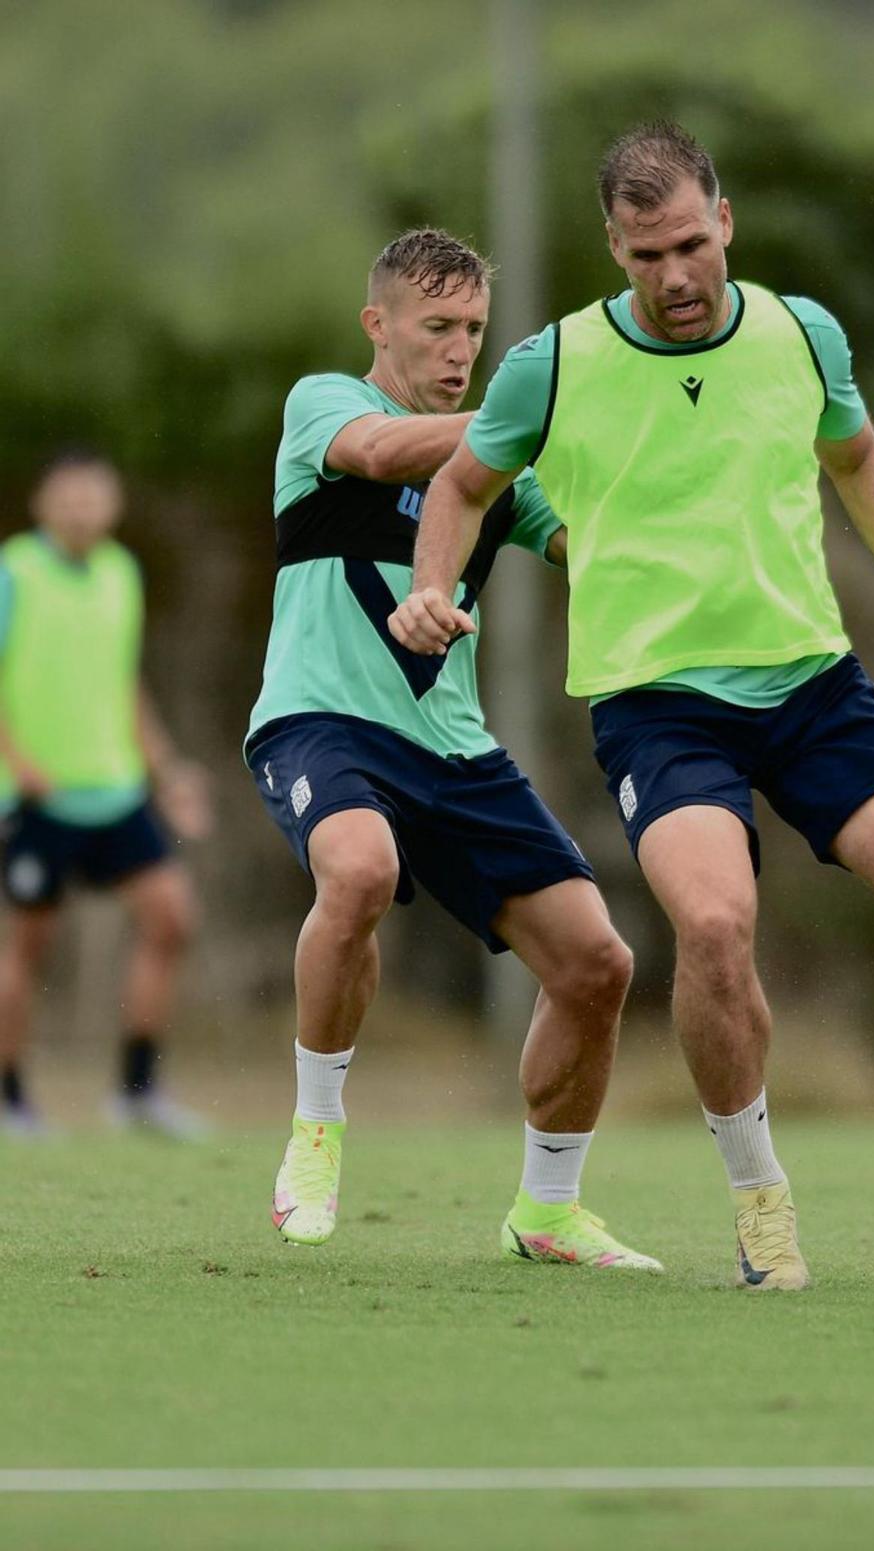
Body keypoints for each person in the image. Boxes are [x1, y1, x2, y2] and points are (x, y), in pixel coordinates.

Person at [392, 122, 874, 1292]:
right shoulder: (553, 363)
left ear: (725, 221)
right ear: (614, 249)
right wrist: (433, 587)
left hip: (814, 685)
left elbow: (858, 453)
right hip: (658, 707)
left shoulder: (802, 331)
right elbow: (461, 483)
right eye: (646, 256)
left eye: (691, 243)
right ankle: (759, 1205)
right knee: (714, 927)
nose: (676, 276)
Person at [245, 227, 659, 1269]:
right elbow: (384, 457)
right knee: (361, 870)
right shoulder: (324, 408)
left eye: (474, 329)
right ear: (377, 326)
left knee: (598, 964)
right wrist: (525, 419)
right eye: (437, 327)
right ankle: (317, 1132)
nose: (459, 347)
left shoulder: (496, 476)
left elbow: (585, 541)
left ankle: (548, 1210)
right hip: (320, 721)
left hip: (453, 749)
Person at [0, 449, 209, 1137]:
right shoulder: (15, 571)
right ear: (42, 503)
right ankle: (10, 1098)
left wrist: (166, 769)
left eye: (96, 495)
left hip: (115, 790)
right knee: (27, 944)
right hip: (38, 797)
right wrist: (17, 758)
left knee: (172, 919)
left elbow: (123, 684)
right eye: (70, 495)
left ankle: (137, 1092)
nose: (83, 507)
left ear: (113, 505)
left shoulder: (122, 573)